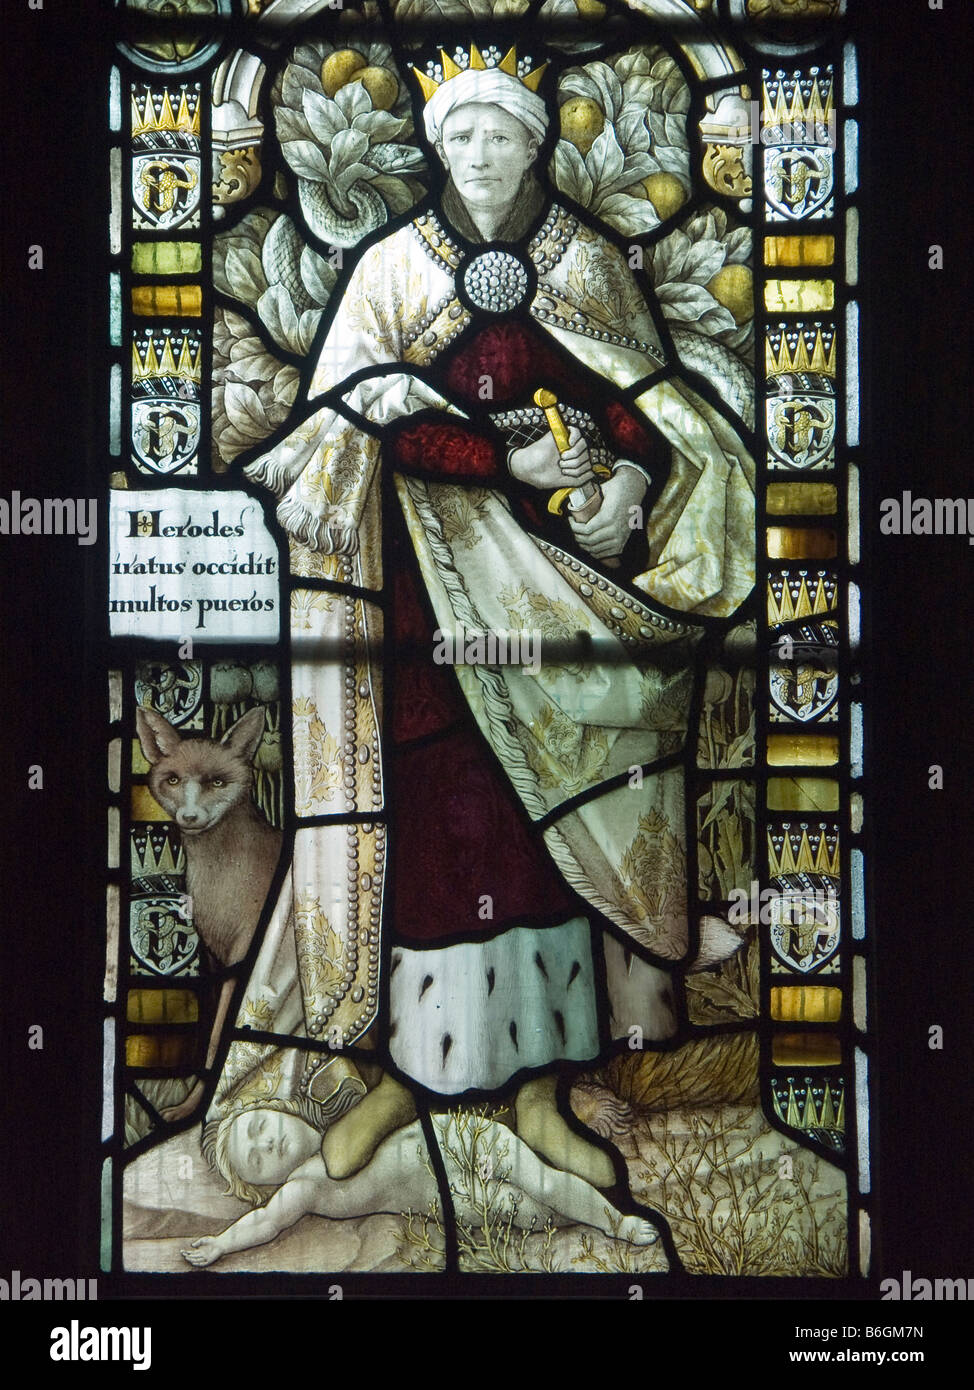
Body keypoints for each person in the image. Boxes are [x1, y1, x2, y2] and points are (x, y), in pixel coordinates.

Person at [238, 45, 755, 1188]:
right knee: (425, 799)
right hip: (421, 598)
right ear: (432, 145)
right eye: (458, 134)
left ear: (534, 144)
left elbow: (638, 403)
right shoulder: (385, 271)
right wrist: (497, 463)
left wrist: (620, 476)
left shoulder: (585, 260)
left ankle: (536, 1083)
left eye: (501, 134)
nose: (478, 154)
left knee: (543, 804)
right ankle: (404, 1066)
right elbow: (352, 417)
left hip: (561, 587)